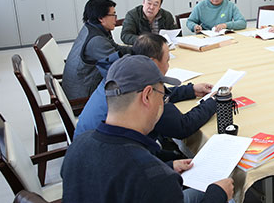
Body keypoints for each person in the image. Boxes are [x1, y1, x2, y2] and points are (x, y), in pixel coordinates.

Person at [61, 55, 270, 203]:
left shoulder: (78, 146)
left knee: (201, 191)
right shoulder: (153, 177)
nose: (163, 103)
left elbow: (123, 178)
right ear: (147, 96)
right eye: (163, 96)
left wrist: (168, 166)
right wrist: (216, 197)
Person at [75, 34, 215, 147]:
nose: (168, 66)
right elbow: (182, 127)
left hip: (86, 145)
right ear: (152, 62)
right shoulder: (143, 90)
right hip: (108, 157)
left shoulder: (122, 72)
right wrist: (214, 102)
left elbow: (161, 94)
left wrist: (191, 90)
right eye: (167, 61)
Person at [62, 0, 132, 100]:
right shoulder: (97, 40)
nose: (115, 19)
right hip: (82, 95)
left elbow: (115, 48)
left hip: (77, 85)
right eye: (113, 15)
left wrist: (137, 49)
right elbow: (118, 67)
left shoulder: (91, 27)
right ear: (101, 18)